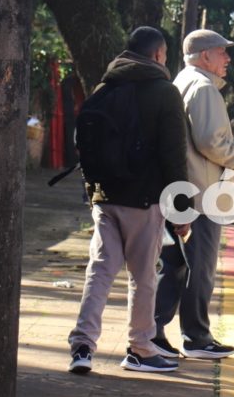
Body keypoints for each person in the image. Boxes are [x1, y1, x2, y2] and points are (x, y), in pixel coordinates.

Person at [68, 26, 190, 374]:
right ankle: (139, 348)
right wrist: (180, 210)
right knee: (144, 276)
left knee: (100, 271)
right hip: (143, 199)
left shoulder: (105, 86)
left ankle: (82, 346)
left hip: (104, 197)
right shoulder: (164, 92)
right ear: (157, 55)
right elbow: (173, 156)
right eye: (165, 56)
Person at [153, 29, 234, 359]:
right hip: (201, 195)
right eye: (222, 52)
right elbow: (212, 143)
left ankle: (156, 332)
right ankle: (196, 337)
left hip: (184, 191)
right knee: (198, 268)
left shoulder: (184, 82)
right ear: (205, 56)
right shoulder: (203, 89)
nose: (228, 58)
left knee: (176, 268)